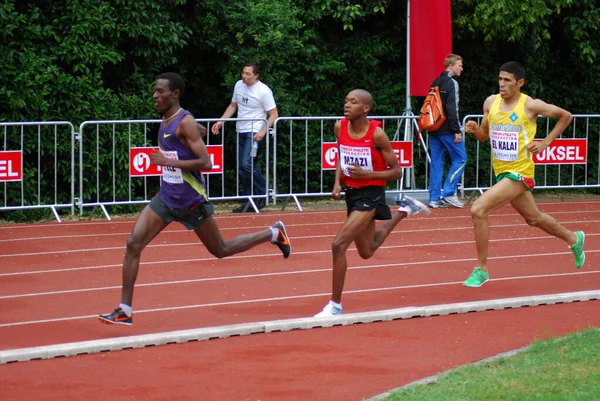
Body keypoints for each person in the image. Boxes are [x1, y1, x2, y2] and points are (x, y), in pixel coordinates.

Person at [99, 72, 291, 326]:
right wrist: (197, 130)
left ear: (174, 94)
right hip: (167, 198)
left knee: (220, 250)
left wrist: (169, 160)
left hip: (191, 200)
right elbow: (197, 130)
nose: (155, 96)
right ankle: (124, 310)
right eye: (154, 91)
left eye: (160, 92)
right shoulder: (170, 118)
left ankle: (273, 233)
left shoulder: (183, 122)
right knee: (134, 244)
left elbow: (206, 162)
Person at [463, 61, 585, 288]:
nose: (502, 84)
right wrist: (474, 130)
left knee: (478, 210)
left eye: (507, 80)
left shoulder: (530, 105)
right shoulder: (491, 102)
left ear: (520, 83)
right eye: (500, 79)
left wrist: (546, 142)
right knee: (534, 218)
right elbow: (484, 136)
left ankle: (481, 269)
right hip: (501, 172)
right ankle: (574, 238)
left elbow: (565, 116)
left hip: (520, 172)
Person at [314, 89, 431, 317]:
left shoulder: (377, 134)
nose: (346, 105)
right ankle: (405, 210)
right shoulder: (340, 127)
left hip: (371, 194)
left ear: (365, 108)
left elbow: (396, 172)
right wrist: (337, 181)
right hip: (352, 193)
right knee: (367, 250)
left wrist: (367, 174)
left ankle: (335, 305)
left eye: (353, 102)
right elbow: (341, 154)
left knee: (338, 245)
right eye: (346, 100)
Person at [211, 62, 278, 213]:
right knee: (242, 169)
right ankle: (248, 201)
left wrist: (262, 131)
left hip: (253, 132)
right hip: (240, 129)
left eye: (248, 74)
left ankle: (264, 191)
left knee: (247, 164)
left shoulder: (264, 91)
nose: (244, 76)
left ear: (256, 75)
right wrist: (221, 121)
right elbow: (233, 105)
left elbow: (274, 115)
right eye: (243, 73)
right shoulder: (238, 85)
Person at [426, 54, 468, 209]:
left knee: (437, 162)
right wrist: (457, 130)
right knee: (461, 158)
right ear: (451, 66)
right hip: (448, 129)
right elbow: (452, 108)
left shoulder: (435, 81)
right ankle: (449, 192)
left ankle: (434, 198)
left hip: (433, 128)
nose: (461, 69)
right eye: (459, 65)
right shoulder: (452, 82)